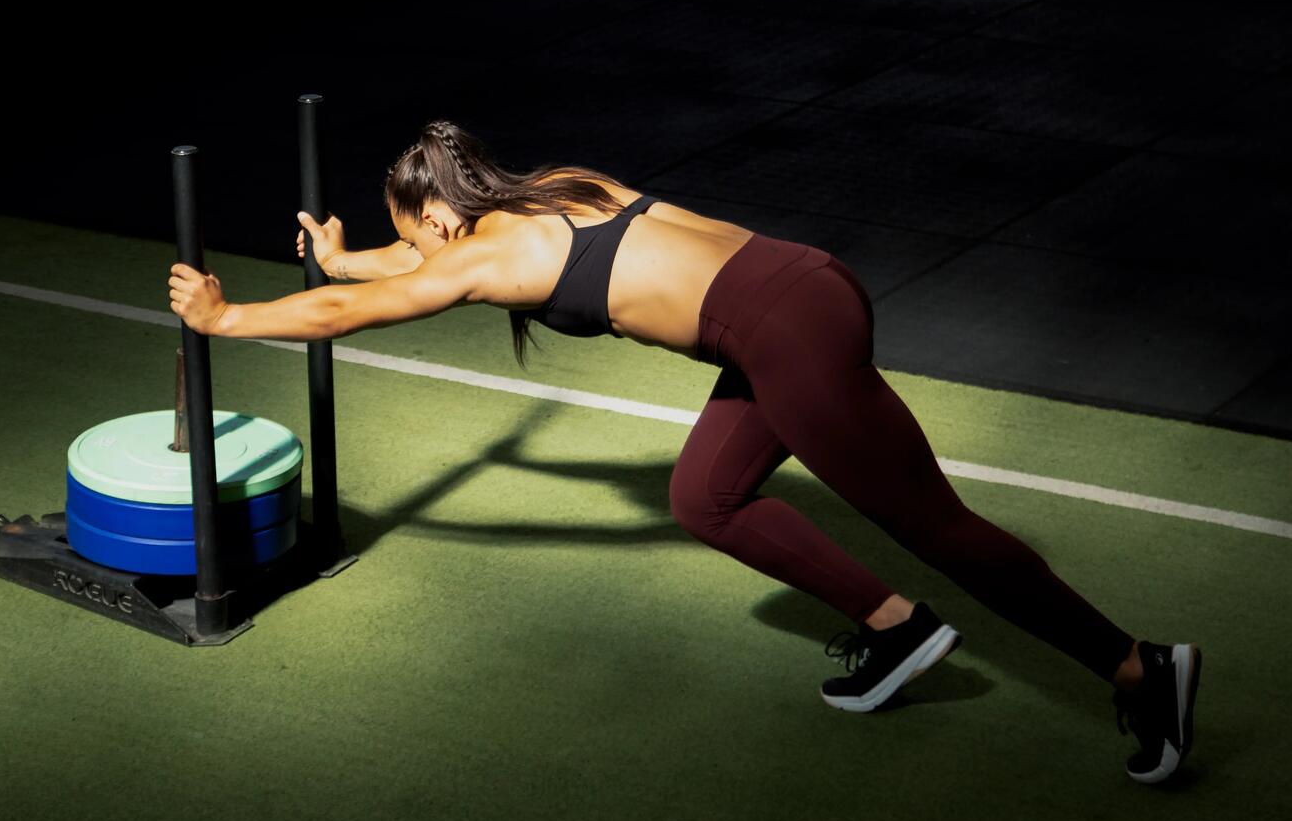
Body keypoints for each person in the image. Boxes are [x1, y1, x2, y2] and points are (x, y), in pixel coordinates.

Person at [168, 121, 1201, 784]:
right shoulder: (551, 188)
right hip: (796, 286)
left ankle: (1137, 667)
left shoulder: (485, 256)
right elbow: (402, 266)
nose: (425, 248)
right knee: (706, 496)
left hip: (784, 337)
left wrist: (228, 317)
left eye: (418, 233)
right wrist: (352, 250)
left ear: (440, 214)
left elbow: (366, 307)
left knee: (940, 527)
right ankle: (894, 627)